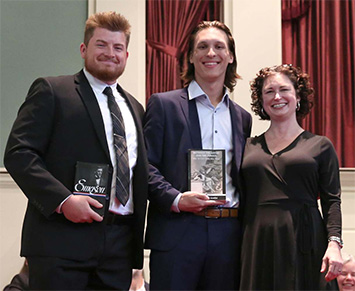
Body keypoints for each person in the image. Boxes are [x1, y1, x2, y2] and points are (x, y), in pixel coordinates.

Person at [4, 11, 148, 290]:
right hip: (61, 241)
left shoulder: (135, 108)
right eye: (101, 45)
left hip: (119, 246)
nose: (110, 53)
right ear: (84, 49)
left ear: (127, 55)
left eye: (118, 47)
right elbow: (19, 153)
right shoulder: (52, 91)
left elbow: (140, 173)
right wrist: (63, 200)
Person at [144, 21, 252, 290]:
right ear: (191, 56)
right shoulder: (164, 105)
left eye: (219, 47)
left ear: (230, 56)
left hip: (229, 235)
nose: (211, 53)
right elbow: (143, 166)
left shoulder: (242, 118)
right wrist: (177, 199)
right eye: (202, 47)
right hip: (177, 230)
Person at [239, 64, 343, 290]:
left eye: (284, 90)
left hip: (304, 238)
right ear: (262, 103)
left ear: (298, 97)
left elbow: (332, 200)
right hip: (257, 239)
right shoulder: (246, 146)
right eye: (269, 92)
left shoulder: (321, 145)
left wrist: (334, 244)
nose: (277, 96)